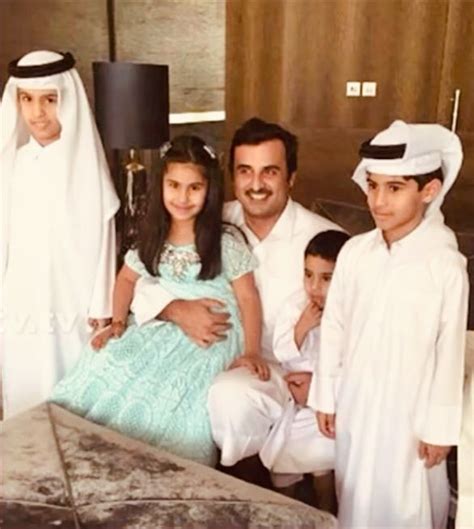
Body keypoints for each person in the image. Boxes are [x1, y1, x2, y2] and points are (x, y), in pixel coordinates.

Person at [129, 117, 341, 483]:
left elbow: (351, 324)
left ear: (291, 177)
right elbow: (148, 275)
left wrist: (324, 382)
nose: (256, 185)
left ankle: (245, 484)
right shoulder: (208, 220)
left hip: (289, 369)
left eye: (270, 172)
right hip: (212, 356)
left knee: (232, 396)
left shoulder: (327, 240)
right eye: (245, 171)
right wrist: (175, 309)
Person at [51, 135, 265, 466]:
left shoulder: (224, 243)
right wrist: (117, 322)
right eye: (174, 185)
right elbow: (125, 279)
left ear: (209, 191)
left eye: (194, 188)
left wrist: (252, 350)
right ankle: (87, 452)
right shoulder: (152, 237)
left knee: (171, 386)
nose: (182, 197)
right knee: (109, 357)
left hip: (212, 334)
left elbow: (249, 298)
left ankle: (153, 464)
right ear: (161, 185)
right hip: (164, 326)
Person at [309, 120, 469, 528]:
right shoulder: (355, 253)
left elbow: (449, 352)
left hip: (411, 416)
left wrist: (439, 428)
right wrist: (327, 394)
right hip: (357, 403)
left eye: (394, 188)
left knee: (407, 501)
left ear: (428, 191)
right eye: (373, 185)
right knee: (356, 493)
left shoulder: (445, 265)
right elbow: (335, 327)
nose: (378, 201)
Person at [0, 50, 119, 419]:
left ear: (66, 102)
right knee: (25, 402)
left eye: (49, 100)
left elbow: (105, 241)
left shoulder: (86, 165)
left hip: (74, 309)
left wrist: (102, 307)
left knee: (73, 405)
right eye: (28, 99)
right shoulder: (13, 164)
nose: (37, 112)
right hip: (21, 307)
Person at [259, 229, 349, 512]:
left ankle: (325, 507)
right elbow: (282, 351)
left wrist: (322, 388)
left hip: (329, 400)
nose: (314, 286)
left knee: (323, 456)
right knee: (283, 454)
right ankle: (286, 508)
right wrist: (301, 327)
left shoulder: (351, 312)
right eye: (308, 275)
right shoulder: (296, 306)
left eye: (326, 278)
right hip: (294, 396)